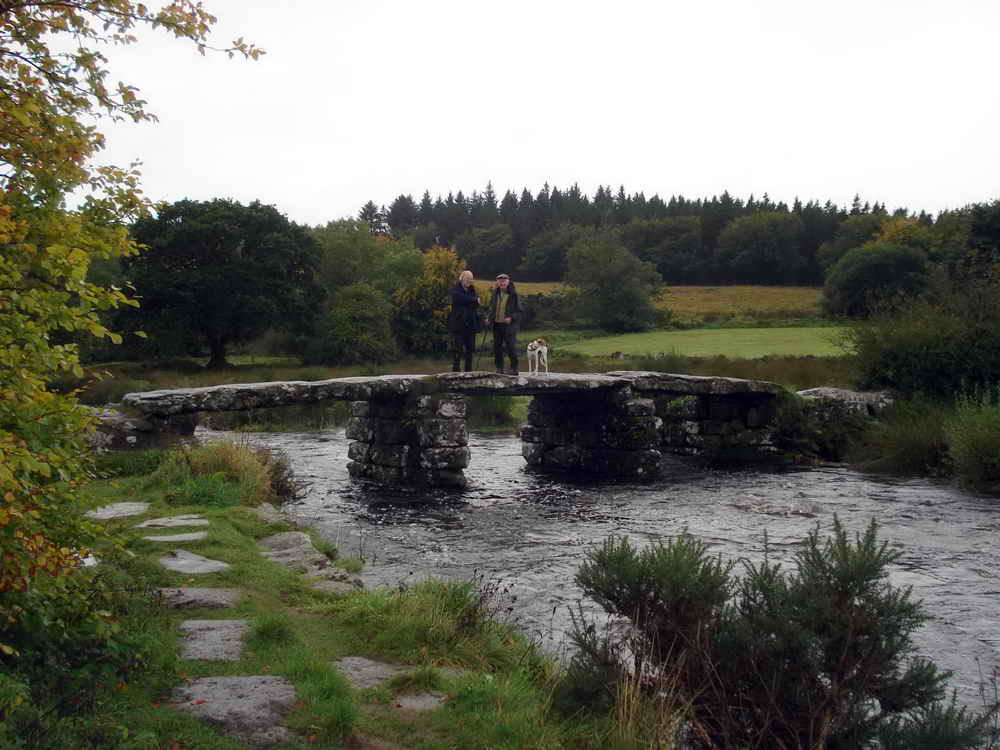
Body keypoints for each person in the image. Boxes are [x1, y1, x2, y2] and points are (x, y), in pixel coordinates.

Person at [486, 272, 521, 374]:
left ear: (508, 282)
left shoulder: (514, 295)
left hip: (509, 326)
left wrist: (511, 318)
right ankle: (499, 368)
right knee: (497, 347)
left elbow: (519, 311)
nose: (502, 283)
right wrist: (489, 318)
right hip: (497, 324)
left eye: (504, 282)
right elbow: (491, 308)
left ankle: (514, 368)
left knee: (510, 346)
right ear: (497, 283)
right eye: (500, 282)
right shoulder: (495, 294)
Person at [447, 269, 481, 372]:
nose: (469, 281)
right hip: (458, 324)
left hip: (471, 324)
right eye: (467, 278)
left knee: (470, 349)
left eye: (470, 279)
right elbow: (458, 298)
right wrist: (473, 300)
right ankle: (456, 370)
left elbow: (476, 305)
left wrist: (472, 301)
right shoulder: (455, 289)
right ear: (461, 278)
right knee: (458, 349)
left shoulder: (472, 290)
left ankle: (468, 371)